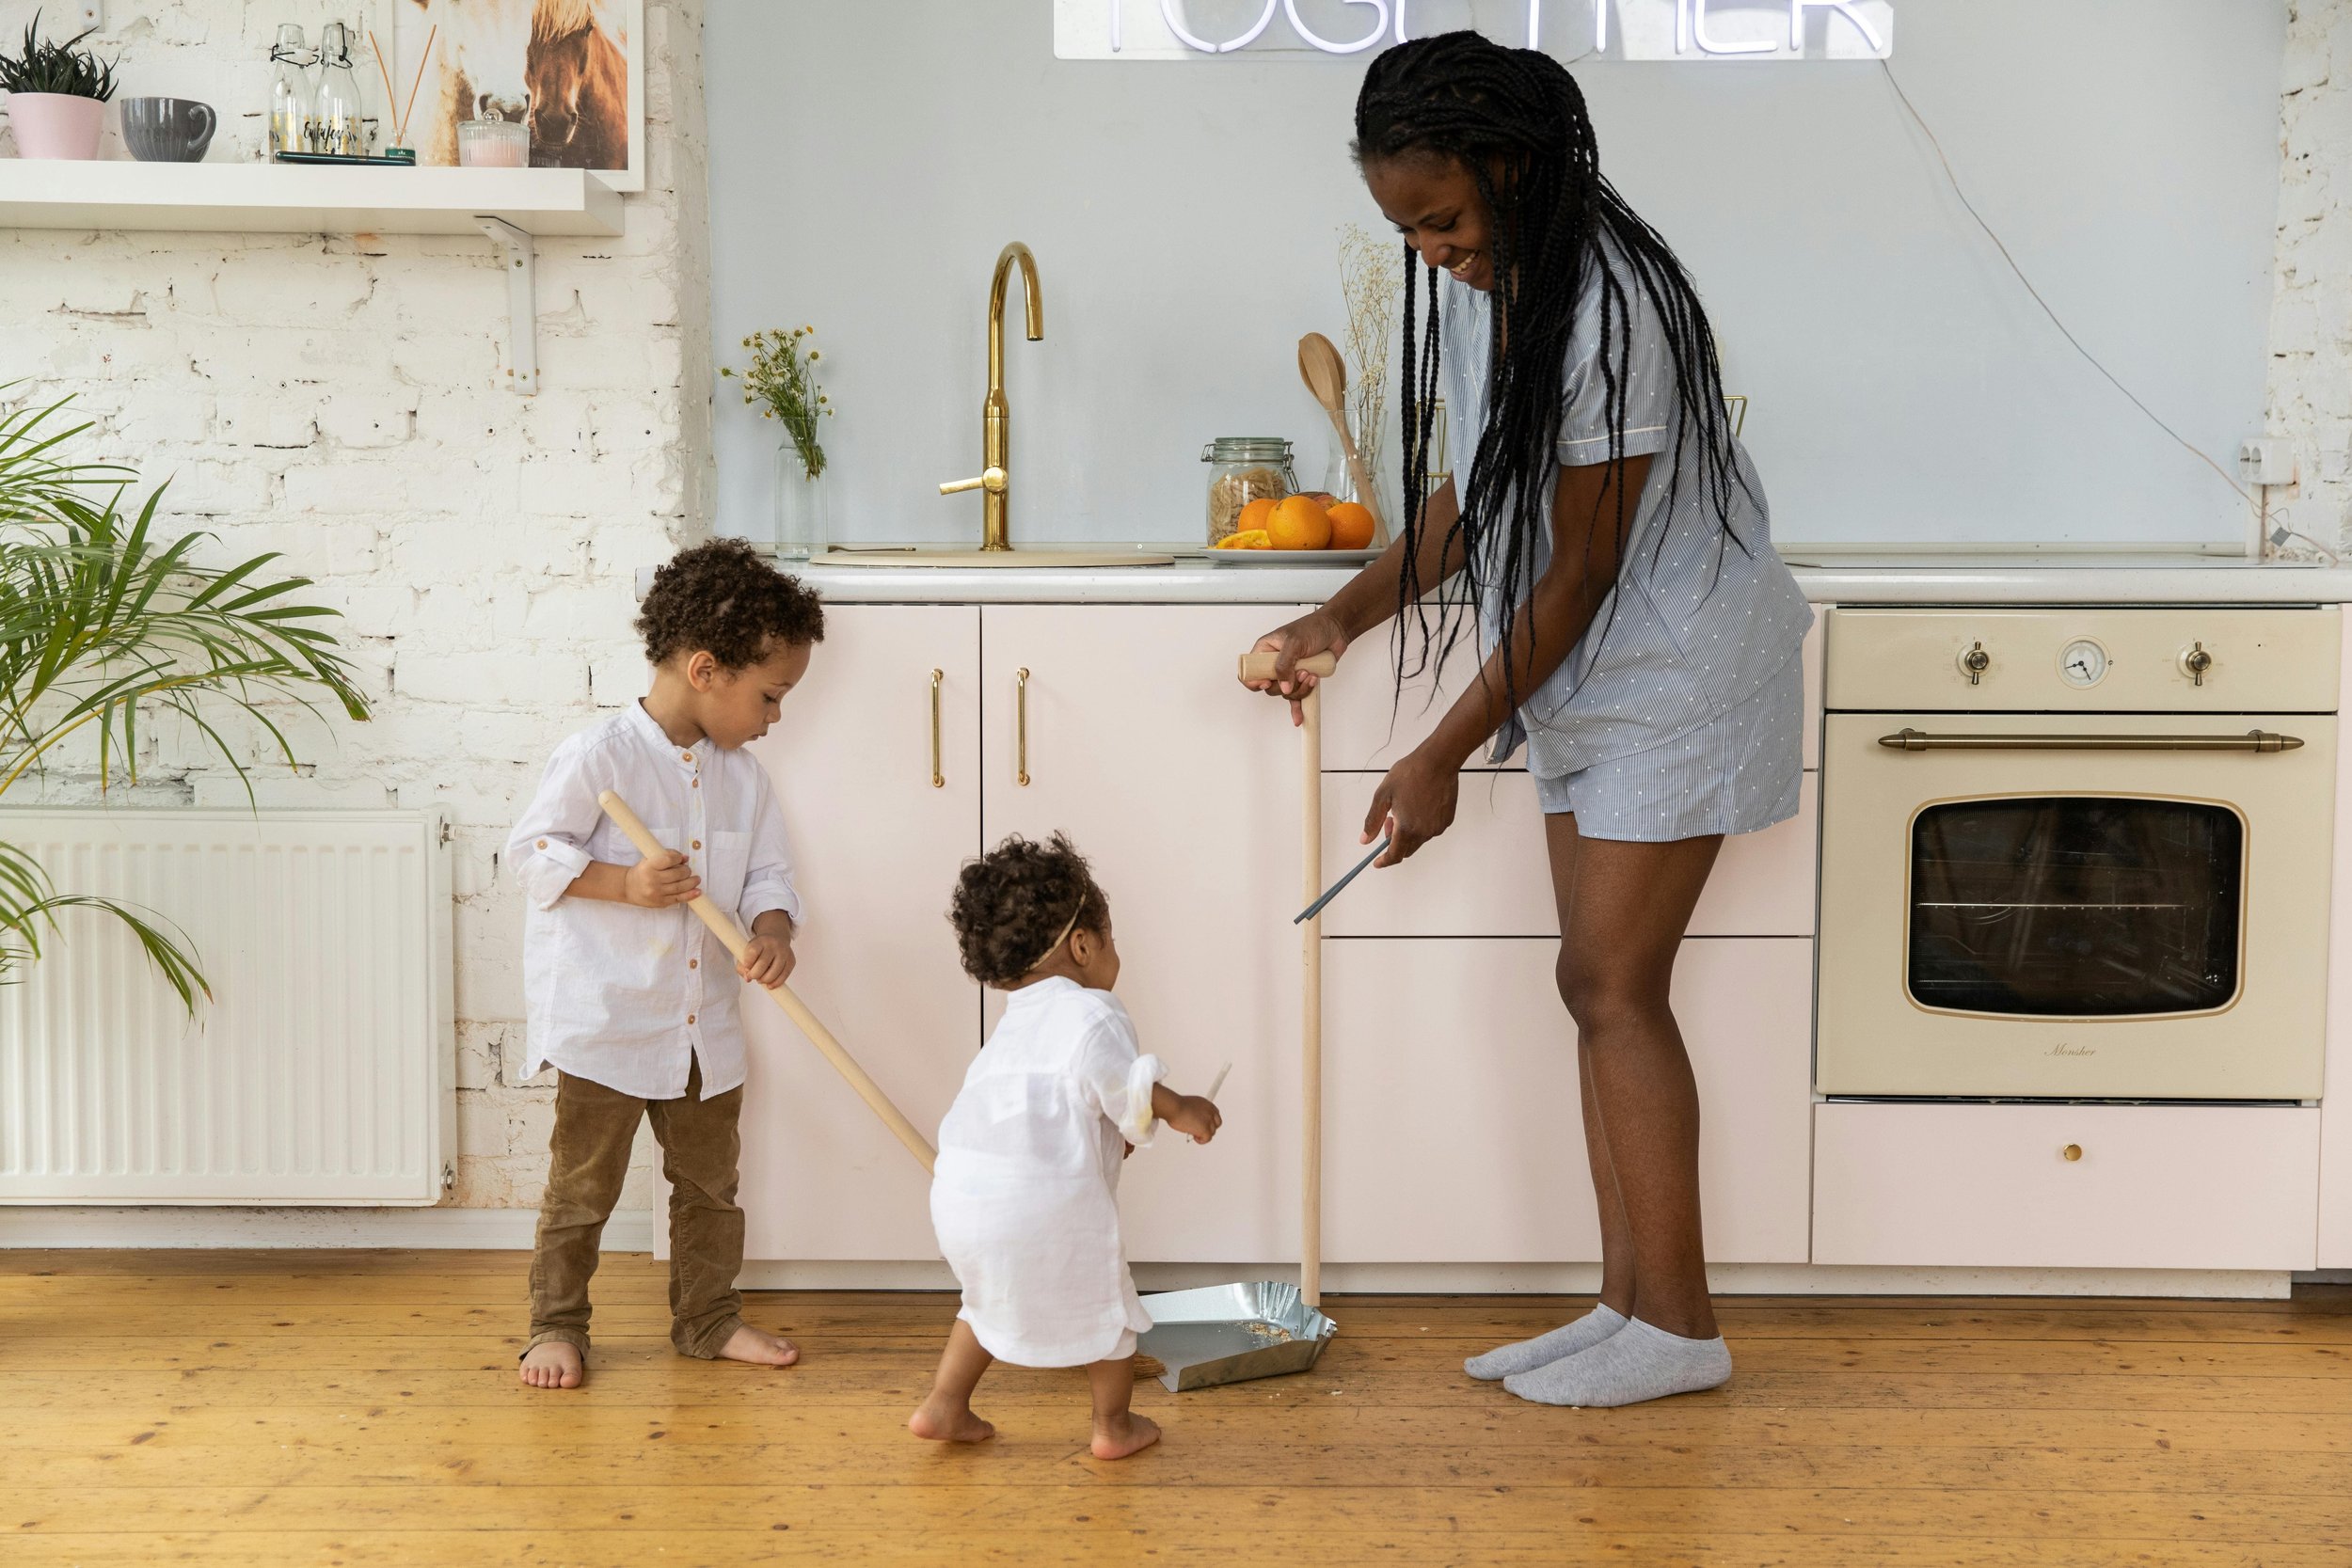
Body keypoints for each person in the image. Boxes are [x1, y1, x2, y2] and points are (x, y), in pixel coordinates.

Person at [1245, 31, 1813, 1408]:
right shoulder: (1512, 284)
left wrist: (1436, 751)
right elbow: (1480, 497)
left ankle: (1677, 1324)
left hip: (1672, 672)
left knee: (1616, 987)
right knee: (1593, 984)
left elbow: (1580, 564)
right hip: (1596, 673)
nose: (1432, 248)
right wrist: (1339, 615)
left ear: (1514, 164)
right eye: (1408, 229)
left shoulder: (1609, 305)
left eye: (1442, 217)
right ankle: (1626, 1306)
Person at [507, 539, 824, 1390]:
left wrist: (774, 929)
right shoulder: (598, 757)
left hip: (702, 1031)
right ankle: (556, 1325)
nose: (775, 716)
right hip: (608, 1023)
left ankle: (709, 1318)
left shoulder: (745, 780)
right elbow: (532, 856)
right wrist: (625, 881)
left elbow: (770, 874)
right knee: (582, 1192)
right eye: (771, 694)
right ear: (707, 668)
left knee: (711, 1189)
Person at [911, 833, 1223, 1459]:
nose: (1115, 954)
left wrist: (1113, 1135)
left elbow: (1062, 1112)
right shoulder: (1093, 1011)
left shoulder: (1010, 1029)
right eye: (1110, 938)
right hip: (1040, 1207)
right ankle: (1114, 1428)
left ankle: (944, 1404)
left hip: (961, 1204)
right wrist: (1184, 1107)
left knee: (984, 1303)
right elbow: (1126, 1086)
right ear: (1083, 944)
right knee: (1112, 1313)